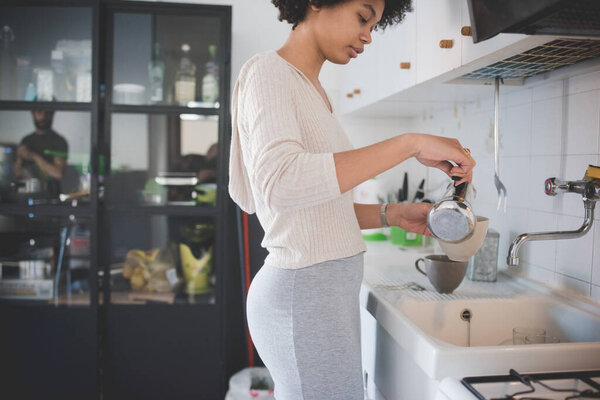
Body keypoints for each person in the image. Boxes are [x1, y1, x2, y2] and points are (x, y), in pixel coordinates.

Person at [228, 1, 476, 398]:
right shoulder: (268, 72)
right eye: (363, 17)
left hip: (319, 297)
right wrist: (410, 142)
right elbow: (282, 184)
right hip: (303, 296)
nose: (368, 36)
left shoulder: (312, 91)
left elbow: (315, 209)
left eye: (375, 25)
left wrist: (391, 214)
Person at [13, 110, 68, 197]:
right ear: (32, 114)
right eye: (39, 113)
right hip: (25, 194)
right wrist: (19, 158)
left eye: (47, 113)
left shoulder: (58, 141)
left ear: (52, 114)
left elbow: (58, 174)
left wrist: (34, 156)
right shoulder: (26, 140)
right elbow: (17, 173)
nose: (43, 117)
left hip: (49, 196)